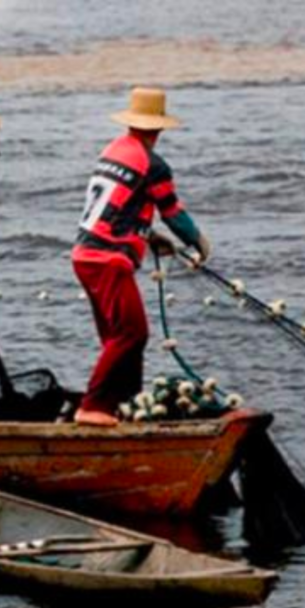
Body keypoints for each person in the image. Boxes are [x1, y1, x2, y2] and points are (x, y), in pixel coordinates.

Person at [72, 87, 211, 427]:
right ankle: (91, 407)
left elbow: (118, 207)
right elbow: (173, 213)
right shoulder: (153, 164)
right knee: (132, 335)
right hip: (109, 260)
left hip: (84, 255)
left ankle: (123, 403)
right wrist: (199, 242)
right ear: (159, 128)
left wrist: (149, 238)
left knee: (117, 337)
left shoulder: (113, 150)